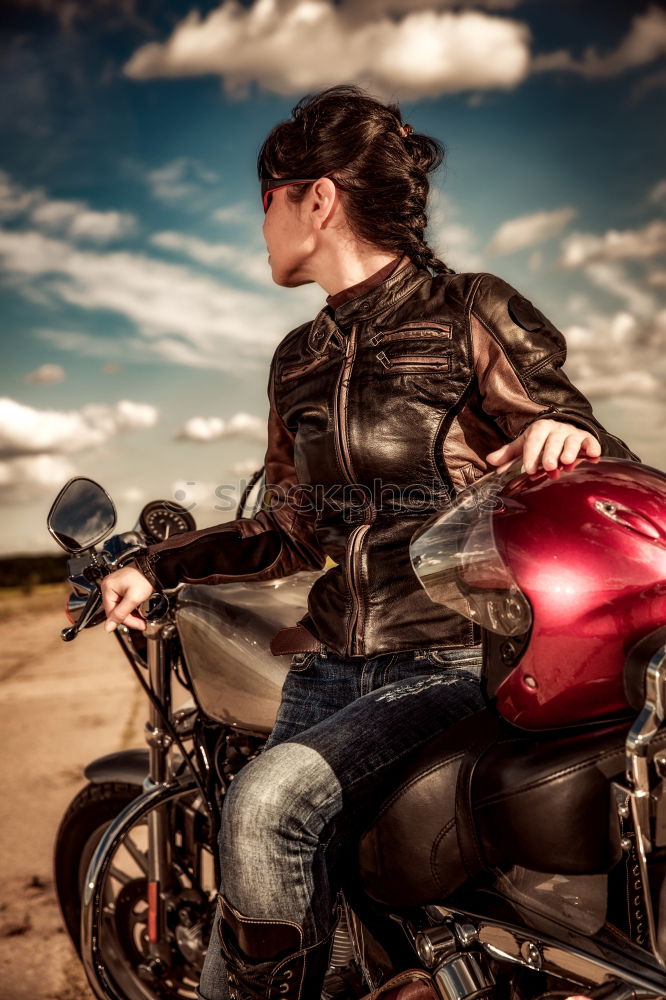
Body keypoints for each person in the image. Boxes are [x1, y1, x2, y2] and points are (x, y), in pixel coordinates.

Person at [100, 85, 639, 1000]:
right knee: (246, 919)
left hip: (452, 660)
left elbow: (587, 449)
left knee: (268, 806)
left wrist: (572, 438)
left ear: (315, 198)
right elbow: (290, 529)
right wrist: (155, 566)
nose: (258, 224)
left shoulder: (470, 310)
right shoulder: (299, 357)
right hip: (329, 670)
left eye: (263, 199)